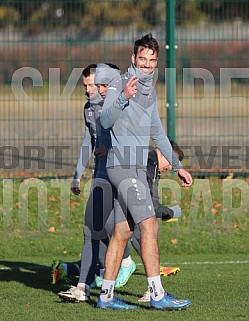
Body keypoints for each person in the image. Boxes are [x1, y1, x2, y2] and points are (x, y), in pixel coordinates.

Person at [97, 33, 193, 310]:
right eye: (143, 59)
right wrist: (123, 98)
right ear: (133, 59)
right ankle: (157, 294)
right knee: (149, 224)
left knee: (122, 232)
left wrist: (178, 166)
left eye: (152, 60)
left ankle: (105, 296)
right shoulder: (119, 84)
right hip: (123, 167)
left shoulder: (150, 90)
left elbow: (157, 133)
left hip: (135, 167)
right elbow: (105, 120)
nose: (147, 65)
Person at [51, 141, 183, 288]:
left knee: (103, 259)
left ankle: (65, 269)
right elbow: (151, 204)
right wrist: (171, 212)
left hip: (104, 199)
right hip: (116, 209)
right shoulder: (151, 163)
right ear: (164, 152)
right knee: (138, 230)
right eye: (173, 162)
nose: (172, 168)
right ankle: (139, 268)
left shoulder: (142, 157)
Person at [57, 63, 136, 303]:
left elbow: (133, 138)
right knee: (92, 229)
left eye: (94, 84)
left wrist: (109, 148)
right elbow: (87, 143)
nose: (90, 89)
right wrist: (78, 174)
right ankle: (82, 287)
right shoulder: (89, 109)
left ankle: (139, 268)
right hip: (100, 176)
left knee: (128, 228)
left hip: (120, 174)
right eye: (87, 85)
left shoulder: (119, 105)